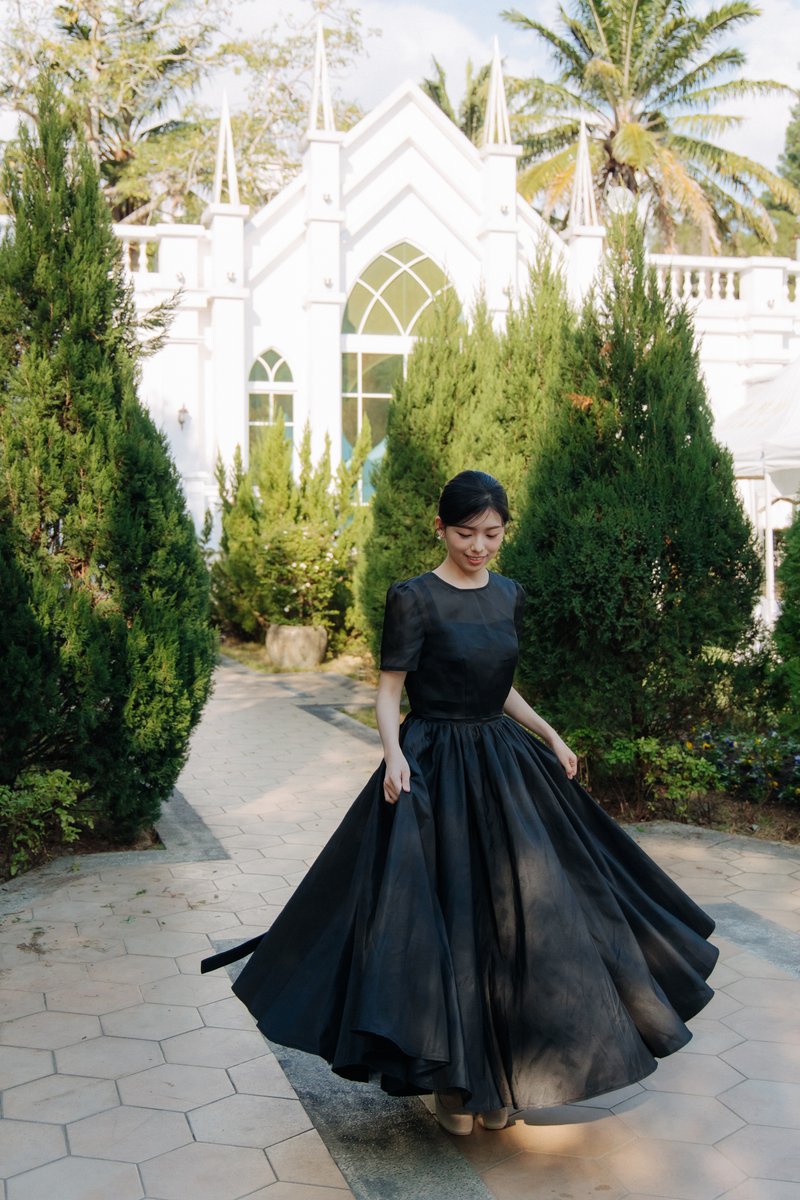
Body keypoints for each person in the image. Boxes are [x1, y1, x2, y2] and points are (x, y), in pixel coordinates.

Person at [201, 469, 718, 1136]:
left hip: (503, 766)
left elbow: (499, 684)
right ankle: (453, 1083)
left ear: (504, 532)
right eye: (466, 533)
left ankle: (498, 1081)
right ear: (440, 528)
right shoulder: (413, 597)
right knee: (446, 921)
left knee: (515, 921)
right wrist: (393, 753)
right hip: (432, 769)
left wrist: (550, 733)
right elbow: (391, 689)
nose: (479, 546)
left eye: (492, 534)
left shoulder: (509, 594)